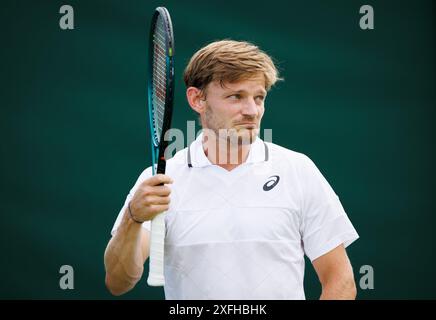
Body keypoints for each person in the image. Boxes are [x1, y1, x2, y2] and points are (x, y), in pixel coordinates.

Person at [104, 40, 359, 300]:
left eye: (258, 97)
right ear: (197, 99)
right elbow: (118, 282)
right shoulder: (158, 180)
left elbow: (340, 281)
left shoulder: (298, 170)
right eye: (235, 96)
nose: (252, 111)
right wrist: (132, 218)